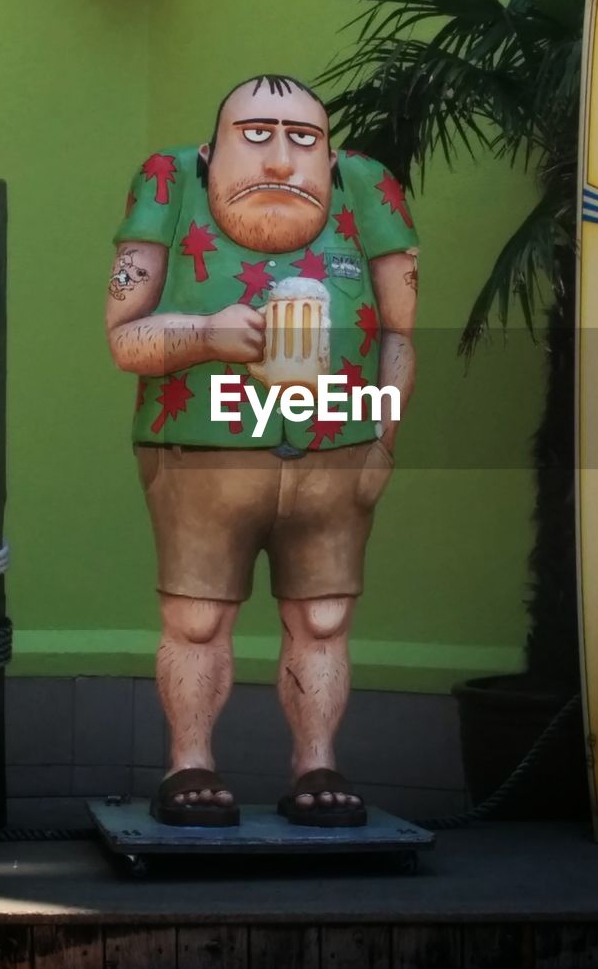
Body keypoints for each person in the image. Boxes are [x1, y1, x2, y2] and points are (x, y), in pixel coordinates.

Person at [106, 74, 417, 827]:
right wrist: (206, 333)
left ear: (330, 154)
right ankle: (190, 764)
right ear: (211, 153)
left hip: (335, 450)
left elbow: (402, 331)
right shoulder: (167, 181)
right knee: (196, 619)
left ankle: (317, 763)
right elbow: (123, 337)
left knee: (323, 619)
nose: (280, 159)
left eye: (302, 138)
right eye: (256, 135)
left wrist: (384, 436)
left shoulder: (369, 189)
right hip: (199, 452)